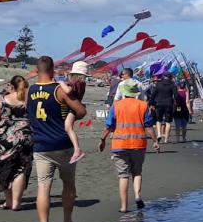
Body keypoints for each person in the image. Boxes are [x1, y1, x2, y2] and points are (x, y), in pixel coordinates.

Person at [27, 55, 88, 222]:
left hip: (41, 145)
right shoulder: (58, 90)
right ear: (53, 70)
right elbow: (81, 111)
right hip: (62, 144)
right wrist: (71, 118)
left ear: (37, 71)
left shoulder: (30, 90)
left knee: (43, 187)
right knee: (68, 184)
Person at [99, 78, 155, 212]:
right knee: (137, 172)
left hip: (120, 144)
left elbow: (109, 125)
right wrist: (156, 141)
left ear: (123, 92)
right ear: (136, 92)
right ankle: (137, 195)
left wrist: (102, 140)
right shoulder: (142, 105)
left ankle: (124, 206)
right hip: (138, 144)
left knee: (123, 175)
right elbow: (148, 126)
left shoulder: (116, 105)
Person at [0, 75, 34, 210]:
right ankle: (17, 203)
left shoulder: (2, 100)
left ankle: (9, 201)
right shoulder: (29, 101)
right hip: (26, 135)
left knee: (4, 168)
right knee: (20, 169)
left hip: (5, 137)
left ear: (11, 86)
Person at [62, 61, 89, 163]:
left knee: (68, 127)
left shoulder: (75, 83)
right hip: (76, 107)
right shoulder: (82, 83)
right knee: (68, 127)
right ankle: (73, 147)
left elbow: (68, 91)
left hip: (72, 108)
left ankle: (77, 149)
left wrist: (61, 83)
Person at [149, 72, 177, 149]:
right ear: (170, 77)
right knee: (168, 121)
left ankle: (159, 134)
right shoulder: (172, 84)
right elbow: (176, 95)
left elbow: (153, 94)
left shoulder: (158, 84)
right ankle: (166, 139)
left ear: (163, 76)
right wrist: (175, 103)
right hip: (169, 104)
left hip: (159, 103)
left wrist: (151, 103)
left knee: (158, 120)